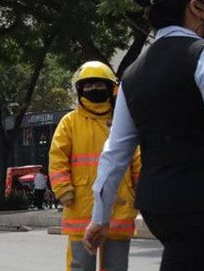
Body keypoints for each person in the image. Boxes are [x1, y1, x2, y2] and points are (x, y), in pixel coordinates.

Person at [83, 0, 204, 271]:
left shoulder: (133, 74)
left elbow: (115, 152)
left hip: (158, 207)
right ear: (195, 7)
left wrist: (100, 216)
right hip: (203, 205)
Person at [50, 61, 141, 271]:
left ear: (111, 88)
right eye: (88, 84)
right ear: (80, 89)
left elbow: (137, 160)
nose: (94, 89)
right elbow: (57, 159)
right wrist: (64, 191)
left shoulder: (123, 122)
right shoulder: (69, 123)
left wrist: (142, 192)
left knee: (117, 268)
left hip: (120, 209)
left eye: (99, 84)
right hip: (80, 208)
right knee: (81, 266)